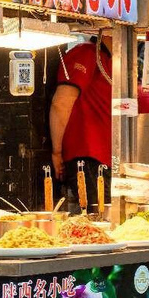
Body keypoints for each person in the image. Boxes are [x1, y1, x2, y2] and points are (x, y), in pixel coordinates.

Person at [50, 35, 112, 212]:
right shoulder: (85, 53)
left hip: (106, 159)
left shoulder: (112, 61)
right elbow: (61, 102)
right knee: (98, 219)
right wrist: (57, 151)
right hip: (88, 157)